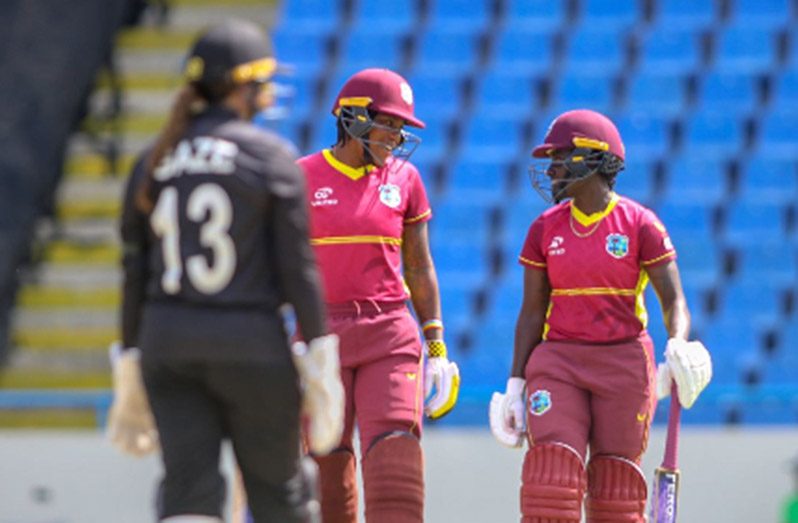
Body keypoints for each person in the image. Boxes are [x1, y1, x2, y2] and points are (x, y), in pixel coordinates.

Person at [106, 19, 344, 523]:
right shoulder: (271, 158)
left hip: (167, 345)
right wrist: (321, 354)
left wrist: (129, 359)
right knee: (280, 494)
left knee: (188, 495)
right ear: (247, 84)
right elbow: (297, 269)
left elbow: (134, 273)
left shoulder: (153, 160)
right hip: (250, 345)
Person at [488, 109, 712, 522]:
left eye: (559, 157)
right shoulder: (544, 229)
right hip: (559, 361)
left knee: (615, 493)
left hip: (623, 363)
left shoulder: (640, 225)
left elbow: (674, 301)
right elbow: (532, 311)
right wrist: (516, 383)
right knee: (550, 481)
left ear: (592, 159)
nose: (550, 169)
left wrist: (678, 342)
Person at [296, 67, 461, 523]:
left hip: (389, 331)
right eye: (388, 123)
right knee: (325, 462)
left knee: (395, 456)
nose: (397, 135)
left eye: (401, 126)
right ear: (352, 119)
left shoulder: (405, 180)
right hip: (320, 333)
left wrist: (437, 346)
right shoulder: (300, 178)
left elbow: (419, 266)